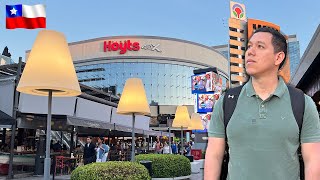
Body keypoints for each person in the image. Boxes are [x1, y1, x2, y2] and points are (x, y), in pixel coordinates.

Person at [204, 27, 320, 180]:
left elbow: (313, 160)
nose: (250, 52)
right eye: (250, 46)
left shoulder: (302, 103)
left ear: (278, 58)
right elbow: (214, 155)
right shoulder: (226, 102)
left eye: (260, 46)